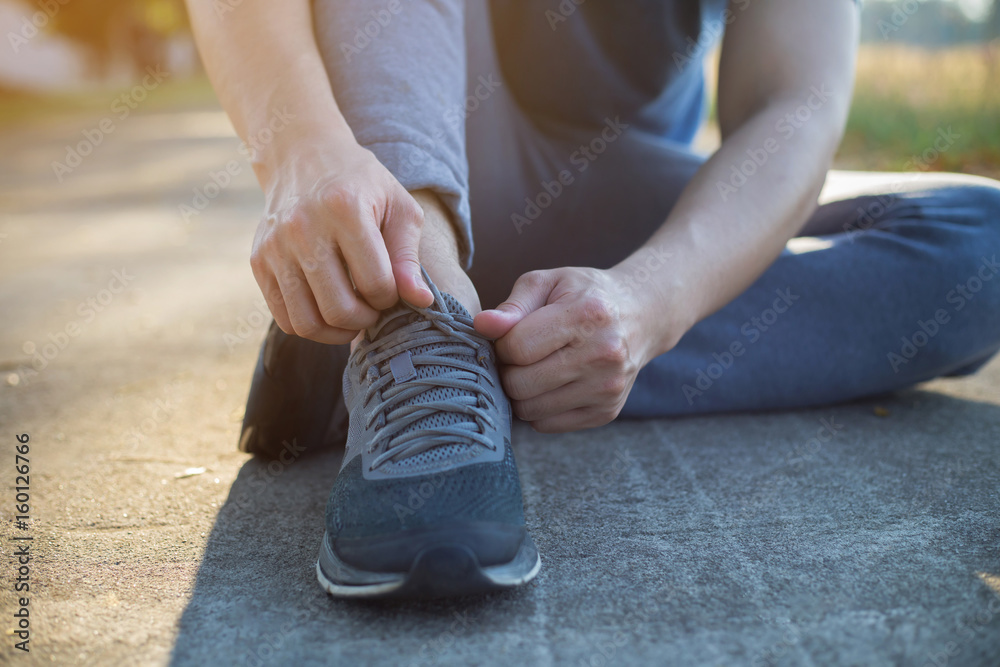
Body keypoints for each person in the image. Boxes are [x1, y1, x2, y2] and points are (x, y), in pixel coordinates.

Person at [186, 0, 1000, 599]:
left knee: (980, 243)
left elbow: (800, 107)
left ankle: (439, 351)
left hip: (607, 208)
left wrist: (651, 303)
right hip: (423, 143)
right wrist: (305, 153)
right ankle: (419, 313)